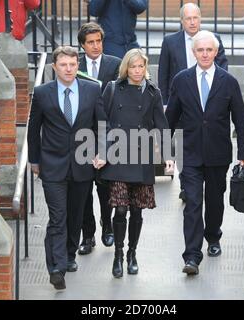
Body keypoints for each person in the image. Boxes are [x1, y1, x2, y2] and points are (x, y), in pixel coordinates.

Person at [165, 31, 244, 276]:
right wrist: (163, 153)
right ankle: (191, 255)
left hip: (218, 153)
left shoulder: (228, 81)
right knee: (192, 202)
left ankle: (213, 236)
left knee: (214, 200)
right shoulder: (181, 80)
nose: (204, 54)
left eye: (209, 50)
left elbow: (241, 120)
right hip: (189, 153)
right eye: (200, 50)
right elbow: (170, 118)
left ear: (215, 52)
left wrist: (243, 152)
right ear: (193, 53)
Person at [27, 46, 107, 290]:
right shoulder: (42, 93)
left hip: (83, 164)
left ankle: (70, 254)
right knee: (57, 217)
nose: (69, 69)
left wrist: (102, 152)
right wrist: (34, 160)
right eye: (64, 65)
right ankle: (56, 268)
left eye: (73, 64)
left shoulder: (92, 89)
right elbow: (33, 129)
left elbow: (102, 124)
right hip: (52, 164)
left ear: (77, 65)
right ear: (55, 67)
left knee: (75, 216)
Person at [100, 48, 174, 278]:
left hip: (142, 156)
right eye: (133, 66)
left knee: (137, 210)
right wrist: (101, 152)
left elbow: (161, 126)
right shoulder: (113, 89)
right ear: (126, 68)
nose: (137, 70)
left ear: (145, 68)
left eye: (141, 66)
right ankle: (118, 255)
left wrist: (169, 156)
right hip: (118, 155)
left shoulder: (153, 92)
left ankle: (133, 254)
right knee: (120, 208)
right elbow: (102, 123)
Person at [158, 3, 228, 202]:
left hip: (207, 101)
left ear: (200, 18)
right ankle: (187, 183)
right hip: (181, 101)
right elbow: (163, 73)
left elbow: (223, 68)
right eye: (187, 18)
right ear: (182, 21)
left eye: (195, 17)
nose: (192, 22)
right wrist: (165, 101)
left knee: (206, 139)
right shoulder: (170, 42)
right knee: (182, 142)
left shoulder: (213, 41)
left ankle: (206, 180)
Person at [77, 22, 121, 255]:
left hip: (106, 132)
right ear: (82, 45)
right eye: (91, 42)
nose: (96, 46)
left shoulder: (114, 64)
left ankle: (108, 225)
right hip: (83, 136)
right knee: (84, 189)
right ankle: (88, 235)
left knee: (105, 186)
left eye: (98, 41)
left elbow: (116, 97)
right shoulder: (76, 65)